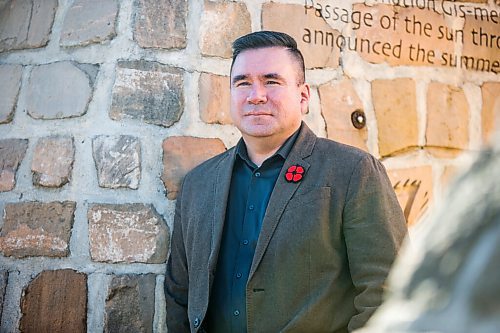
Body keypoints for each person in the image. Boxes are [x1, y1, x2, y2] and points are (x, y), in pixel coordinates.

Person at [165, 30, 407, 333]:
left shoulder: (353, 172)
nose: (256, 95)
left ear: (303, 96)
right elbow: (179, 292)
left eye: (271, 81)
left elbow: (388, 292)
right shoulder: (198, 184)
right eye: (243, 83)